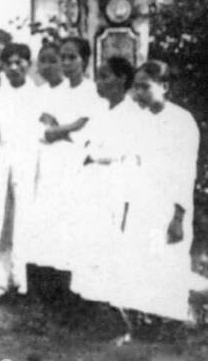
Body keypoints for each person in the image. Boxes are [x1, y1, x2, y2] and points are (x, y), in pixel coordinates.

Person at [109, 60, 201, 331]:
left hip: (168, 203)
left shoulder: (182, 121)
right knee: (141, 258)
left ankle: (169, 321)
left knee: (166, 258)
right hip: (141, 200)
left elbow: (185, 172)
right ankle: (142, 321)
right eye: (135, 87)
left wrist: (178, 216)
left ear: (164, 87)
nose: (139, 93)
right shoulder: (140, 120)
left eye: (145, 87)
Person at [25, 36, 102, 277]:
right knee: (51, 219)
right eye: (64, 57)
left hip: (77, 161)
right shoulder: (58, 90)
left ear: (85, 60)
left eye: (72, 57)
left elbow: (83, 126)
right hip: (53, 161)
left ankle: (77, 283)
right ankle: (55, 281)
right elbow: (45, 124)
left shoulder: (92, 91)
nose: (67, 63)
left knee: (74, 220)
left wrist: (61, 129)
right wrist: (62, 129)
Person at [70, 57, 142, 308]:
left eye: (104, 76)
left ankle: (111, 300)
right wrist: (89, 153)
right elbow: (84, 142)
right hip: (92, 179)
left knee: (109, 237)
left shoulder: (133, 112)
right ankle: (90, 298)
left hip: (115, 180)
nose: (98, 82)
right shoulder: (98, 109)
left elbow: (122, 150)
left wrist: (95, 153)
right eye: (98, 76)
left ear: (121, 79)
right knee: (89, 236)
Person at [0, 43, 41, 298]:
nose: (14, 67)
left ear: (29, 64)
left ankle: (23, 278)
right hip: (1, 162)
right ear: (2, 66)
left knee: (26, 220)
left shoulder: (39, 95)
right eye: (9, 63)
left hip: (30, 162)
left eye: (20, 62)